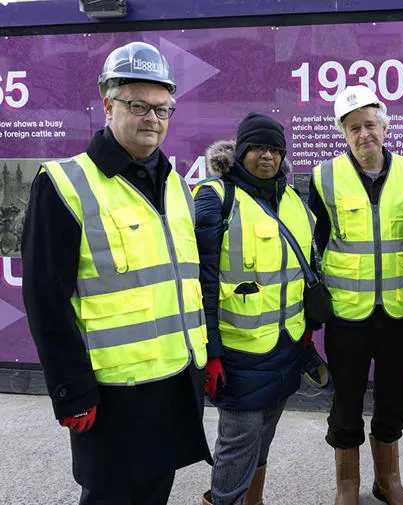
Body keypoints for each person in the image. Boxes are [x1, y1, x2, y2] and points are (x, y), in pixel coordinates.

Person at [21, 41, 211, 505]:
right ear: (108, 105)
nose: (153, 118)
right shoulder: (66, 184)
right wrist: (71, 390)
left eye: (163, 109)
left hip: (173, 379)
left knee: (154, 493)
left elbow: (187, 283)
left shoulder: (176, 187)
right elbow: (46, 299)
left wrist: (207, 355)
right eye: (138, 105)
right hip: (111, 394)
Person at [308, 85, 403, 505]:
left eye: (370, 124)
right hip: (348, 315)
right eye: (354, 127)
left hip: (401, 311)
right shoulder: (323, 177)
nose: (364, 134)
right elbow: (314, 244)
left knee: (395, 398)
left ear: (384, 127)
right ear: (344, 132)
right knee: (346, 401)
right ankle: (347, 487)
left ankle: (387, 482)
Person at [194, 113, 316, 505]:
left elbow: (307, 267)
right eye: (259, 148)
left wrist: (308, 330)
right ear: (241, 151)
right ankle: (225, 498)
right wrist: (210, 352)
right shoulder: (215, 198)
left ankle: (254, 500)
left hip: (286, 344)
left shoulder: (293, 199)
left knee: (265, 434)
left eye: (276, 149)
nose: (268, 157)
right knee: (237, 441)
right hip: (237, 351)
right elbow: (203, 284)